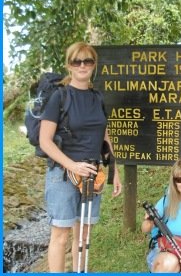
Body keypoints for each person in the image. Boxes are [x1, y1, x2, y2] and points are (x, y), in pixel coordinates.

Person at [39, 42, 123, 272]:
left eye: (88, 61)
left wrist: (115, 173)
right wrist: (72, 165)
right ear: (69, 65)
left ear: (94, 65)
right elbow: (45, 140)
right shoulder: (60, 97)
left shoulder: (98, 98)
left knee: (83, 235)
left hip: (92, 173)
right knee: (61, 234)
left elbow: (104, 135)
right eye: (77, 61)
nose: (83, 65)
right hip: (63, 174)